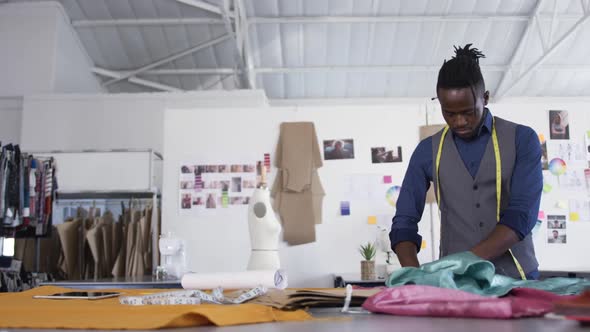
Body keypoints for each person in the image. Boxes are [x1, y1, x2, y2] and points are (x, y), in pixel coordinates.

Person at [389, 44, 543, 280]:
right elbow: (403, 222)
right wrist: (414, 275)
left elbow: (522, 215)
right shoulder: (427, 151)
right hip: (455, 281)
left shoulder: (522, 139)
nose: (459, 121)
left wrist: (466, 260)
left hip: (516, 277)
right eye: (449, 113)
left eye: (468, 112)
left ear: (486, 98)